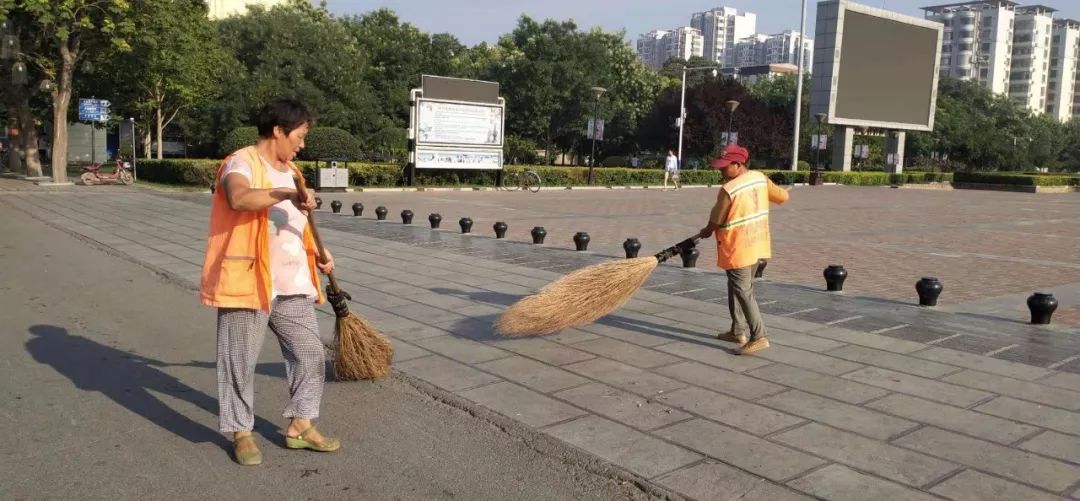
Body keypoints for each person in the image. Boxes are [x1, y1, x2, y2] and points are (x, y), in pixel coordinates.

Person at [200, 97, 340, 466]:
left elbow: (296, 226)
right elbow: (239, 197)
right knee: (239, 360)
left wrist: (318, 255)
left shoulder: (293, 171)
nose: (303, 143)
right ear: (278, 130)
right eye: (300, 134)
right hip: (249, 279)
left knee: (310, 353)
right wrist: (284, 193)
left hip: (293, 282)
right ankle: (241, 431)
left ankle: (301, 424)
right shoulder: (240, 162)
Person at [697, 144, 790, 355]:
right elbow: (782, 197)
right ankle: (737, 330)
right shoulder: (760, 178)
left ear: (738, 164)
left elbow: (716, 220)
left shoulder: (729, 190)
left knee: (743, 290)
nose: (721, 172)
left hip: (738, 247)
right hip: (757, 244)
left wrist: (706, 230)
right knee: (737, 286)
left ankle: (759, 336)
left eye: (724, 167)